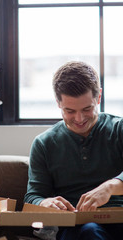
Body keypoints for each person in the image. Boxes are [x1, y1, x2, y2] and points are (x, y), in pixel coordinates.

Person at [24, 61, 123, 239]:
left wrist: (111, 186)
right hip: (78, 227)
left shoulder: (119, 129)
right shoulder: (44, 143)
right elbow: (33, 196)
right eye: (70, 111)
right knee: (90, 232)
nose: (79, 119)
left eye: (87, 109)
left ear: (98, 97)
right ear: (58, 103)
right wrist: (45, 202)